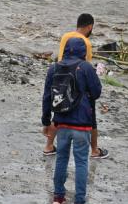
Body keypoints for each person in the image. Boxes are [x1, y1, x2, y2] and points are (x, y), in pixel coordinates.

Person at [41, 38, 102, 204]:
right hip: (82, 124)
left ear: (66, 49)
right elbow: (97, 92)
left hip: (61, 123)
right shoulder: (86, 67)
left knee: (61, 159)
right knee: (82, 162)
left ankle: (58, 198)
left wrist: (46, 122)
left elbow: (47, 97)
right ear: (83, 51)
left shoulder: (54, 68)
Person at [44, 14, 108, 159]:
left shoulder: (66, 36)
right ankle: (94, 150)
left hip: (61, 76)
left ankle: (48, 146)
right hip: (79, 79)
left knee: (58, 112)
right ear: (90, 26)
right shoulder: (86, 42)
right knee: (91, 118)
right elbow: (86, 64)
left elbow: (62, 56)